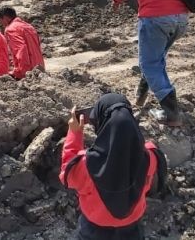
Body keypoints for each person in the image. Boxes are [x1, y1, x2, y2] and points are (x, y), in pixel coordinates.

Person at [60, 93, 168, 240]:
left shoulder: (86, 163)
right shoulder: (151, 157)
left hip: (93, 230)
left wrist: (75, 134)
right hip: (132, 229)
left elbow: (67, 174)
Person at [0, 6, 45, 79]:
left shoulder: (10, 29)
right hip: (40, 70)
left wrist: (21, 73)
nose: (1, 23)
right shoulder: (29, 26)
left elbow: (21, 50)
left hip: (29, 73)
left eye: (1, 20)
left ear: (6, 18)